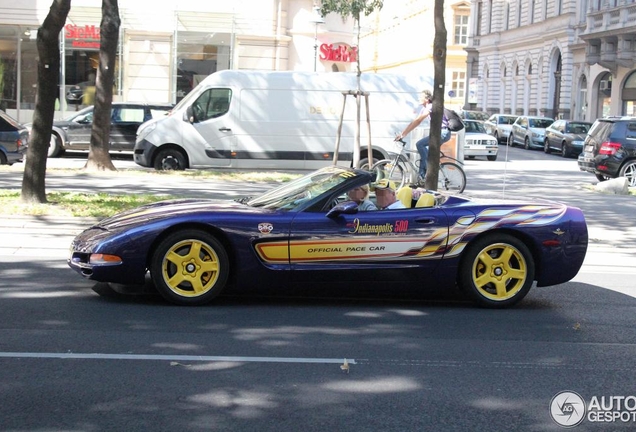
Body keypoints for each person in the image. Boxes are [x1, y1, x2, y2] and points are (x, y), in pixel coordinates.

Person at [394, 89, 451, 183]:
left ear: (427, 99)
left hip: (442, 133)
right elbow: (415, 121)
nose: (419, 98)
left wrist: (403, 134)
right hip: (440, 133)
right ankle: (422, 178)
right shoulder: (425, 108)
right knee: (424, 154)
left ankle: (425, 172)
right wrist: (403, 134)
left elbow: (418, 121)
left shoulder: (430, 106)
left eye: (421, 97)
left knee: (420, 144)